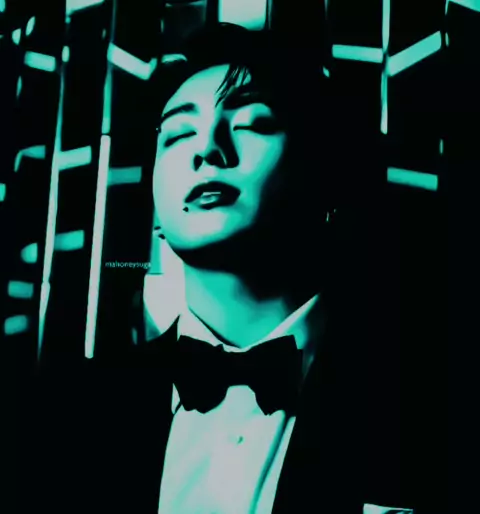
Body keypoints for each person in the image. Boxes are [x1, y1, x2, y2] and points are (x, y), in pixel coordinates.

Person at [27, 24, 446, 514]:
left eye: (252, 123)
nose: (208, 150)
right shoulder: (66, 412)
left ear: (326, 176)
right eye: (178, 134)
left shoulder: (431, 396)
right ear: (156, 213)